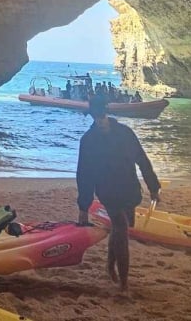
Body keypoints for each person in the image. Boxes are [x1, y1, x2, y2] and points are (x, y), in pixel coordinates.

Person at [76, 94, 160, 292]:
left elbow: (142, 160)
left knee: (120, 228)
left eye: (102, 116)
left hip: (129, 189)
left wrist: (153, 187)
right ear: (92, 116)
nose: (100, 121)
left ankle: (109, 265)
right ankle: (124, 282)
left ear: (107, 113)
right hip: (107, 191)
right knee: (121, 227)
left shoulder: (125, 133)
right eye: (97, 117)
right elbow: (84, 174)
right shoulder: (88, 140)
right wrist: (83, 206)